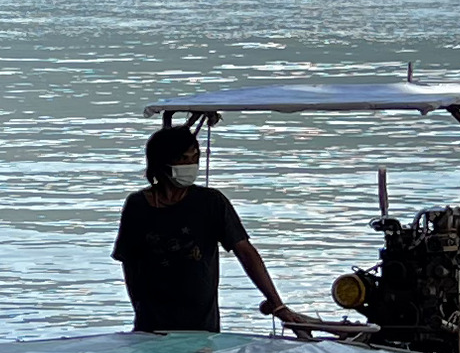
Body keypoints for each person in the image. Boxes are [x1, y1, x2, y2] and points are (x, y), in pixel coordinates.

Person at [115, 125, 325, 336]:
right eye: (183, 158)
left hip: (201, 324)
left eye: (194, 158)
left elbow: (245, 251)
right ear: (162, 162)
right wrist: (138, 307)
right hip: (151, 324)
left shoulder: (211, 202)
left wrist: (277, 304)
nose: (190, 164)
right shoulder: (138, 205)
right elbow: (129, 262)